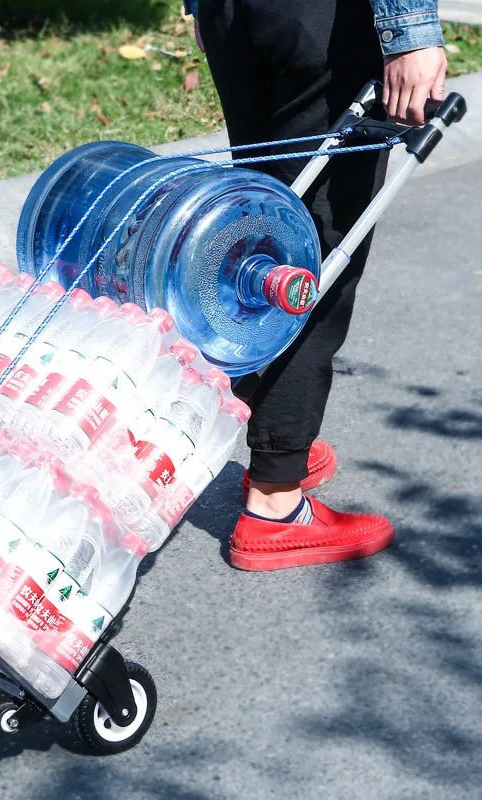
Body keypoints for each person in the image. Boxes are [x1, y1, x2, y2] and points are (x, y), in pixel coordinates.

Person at [184, 0, 447, 570]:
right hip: (323, 19)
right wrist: (410, 35)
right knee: (316, 247)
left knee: (264, 224)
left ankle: (272, 430)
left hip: (239, 13)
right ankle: (275, 501)